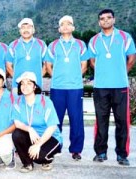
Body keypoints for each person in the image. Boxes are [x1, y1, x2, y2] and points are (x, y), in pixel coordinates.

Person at [88, 9, 136, 166]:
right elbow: (92, 62)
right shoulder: (94, 40)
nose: (106, 21)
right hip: (100, 87)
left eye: (109, 18)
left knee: (122, 121)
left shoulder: (124, 37)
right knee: (101, 121)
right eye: (102, 18)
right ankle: (100, 153)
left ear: (114, 20)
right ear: (99, 22)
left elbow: (131, 59)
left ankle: (122, 155)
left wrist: (120, 73)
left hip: (120, 86)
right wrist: (103, 74)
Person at [45, 15, 89, 160]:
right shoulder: (53, 45)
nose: (65, 26)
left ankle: (76, 150)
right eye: (62, 24)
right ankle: (55, 146)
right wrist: (56, 77)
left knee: (76, 118)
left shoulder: (81, 45)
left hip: (75, 88)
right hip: (57, 88)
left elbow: (84, 65)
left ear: (73, 27)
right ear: (59, 28)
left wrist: (75, 77)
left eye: (68, 24)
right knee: (55, 119)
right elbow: (48, 66)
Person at [11, 72, 62, 173]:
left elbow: (52, 127)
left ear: (35, 86)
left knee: (40, 157)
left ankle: (48, 159)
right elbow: (17, 123)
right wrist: (30, 129)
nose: (25, 86)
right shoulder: (18, 101)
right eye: (22, 83)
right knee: (16, 134)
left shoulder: (45, 101)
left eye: (29, 83)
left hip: (49, 137)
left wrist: (38, 145)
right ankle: (27, 163)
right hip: (32, 135)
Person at [6, 18, 47, 93]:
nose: (26, 30)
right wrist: (17, 79)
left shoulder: (41, 44)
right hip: (17, 86)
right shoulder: (13, 45)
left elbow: (46, 64)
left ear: (33, 30)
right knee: (17, 104)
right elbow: (8, 66)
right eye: (23, 28)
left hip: (36, 86)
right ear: (20, 31)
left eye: (28, 27)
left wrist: (38, 77)